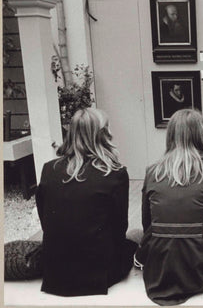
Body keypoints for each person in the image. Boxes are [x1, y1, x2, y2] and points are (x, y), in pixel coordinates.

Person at [134, 109, 203, 306]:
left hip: (159, 270)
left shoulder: (152, 172)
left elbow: (147, 224)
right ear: (202, 135)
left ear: (170, 136)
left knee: (136, 234)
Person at [35, 108, 137, 296]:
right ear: (103, 135)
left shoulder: (49, 169)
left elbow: (45, 219)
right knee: (136, 239)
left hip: (55, 274)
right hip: (98, 275)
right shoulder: (116, 173)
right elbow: (120, 227)